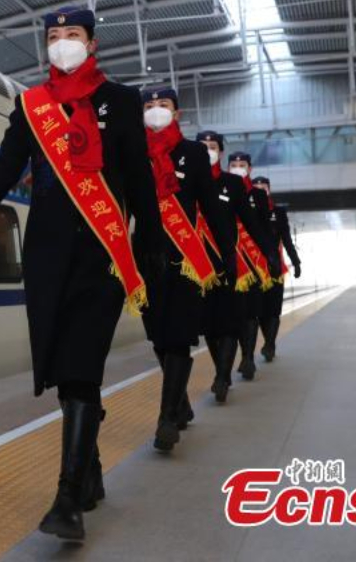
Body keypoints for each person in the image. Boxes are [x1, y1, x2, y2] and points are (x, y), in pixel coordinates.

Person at [0, 6, 164, 542]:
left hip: (101, 253)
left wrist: (150, 242)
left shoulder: (120, 102)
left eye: (71, 35)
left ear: (92, 43)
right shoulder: (33, 106)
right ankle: (91, 469)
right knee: (61, 367)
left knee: (81, 367)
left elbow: (139, 177)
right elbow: (9, 161)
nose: (61, 43)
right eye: (53, 37)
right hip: (48, 255)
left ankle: (67, 496)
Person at [140, 89, 233, 452]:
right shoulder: (132, 148)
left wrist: (227, 254)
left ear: (177, 112)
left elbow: (209, 205)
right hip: (144, 257)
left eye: (163, 106)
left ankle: (166, 419)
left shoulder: (192, 153)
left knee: (178, 335)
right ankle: (179, 402)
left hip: (184, 258)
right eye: (148, 107)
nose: (155, 112)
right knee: (158, 337)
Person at [193, 132, 276, 403]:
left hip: (228, 264)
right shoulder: (186, 181)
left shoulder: (232, 184)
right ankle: (222, 370)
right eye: (202, 147)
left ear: (221, 151)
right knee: (208, 327)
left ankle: (222, 377)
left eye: (213, 147)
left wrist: (270, 254)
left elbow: (251, 222)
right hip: (197, 266)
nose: (207, 151)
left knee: (228, 324)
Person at [225, 152, 278, 382]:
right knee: (232, 313)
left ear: (250, 167)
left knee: (251, 312)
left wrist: (270, 256)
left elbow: (264, 229)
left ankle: (247, 357)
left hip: (253, 263)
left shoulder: (257, 195)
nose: (238, 168)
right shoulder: (221, 187)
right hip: (230, 260)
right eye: (234, 164)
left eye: (242, 164)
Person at [251, 176, 301, 362]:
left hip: (274, 269)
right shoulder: (245, 210)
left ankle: (270, 343)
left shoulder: (278, 212)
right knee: (258, 311)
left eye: (263, 188)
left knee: (272, 310)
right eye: (255, 187)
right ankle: (264, 344)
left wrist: (296, 262)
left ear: (269, 190)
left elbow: (286, 239)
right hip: (252, 270)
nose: (260, 191)